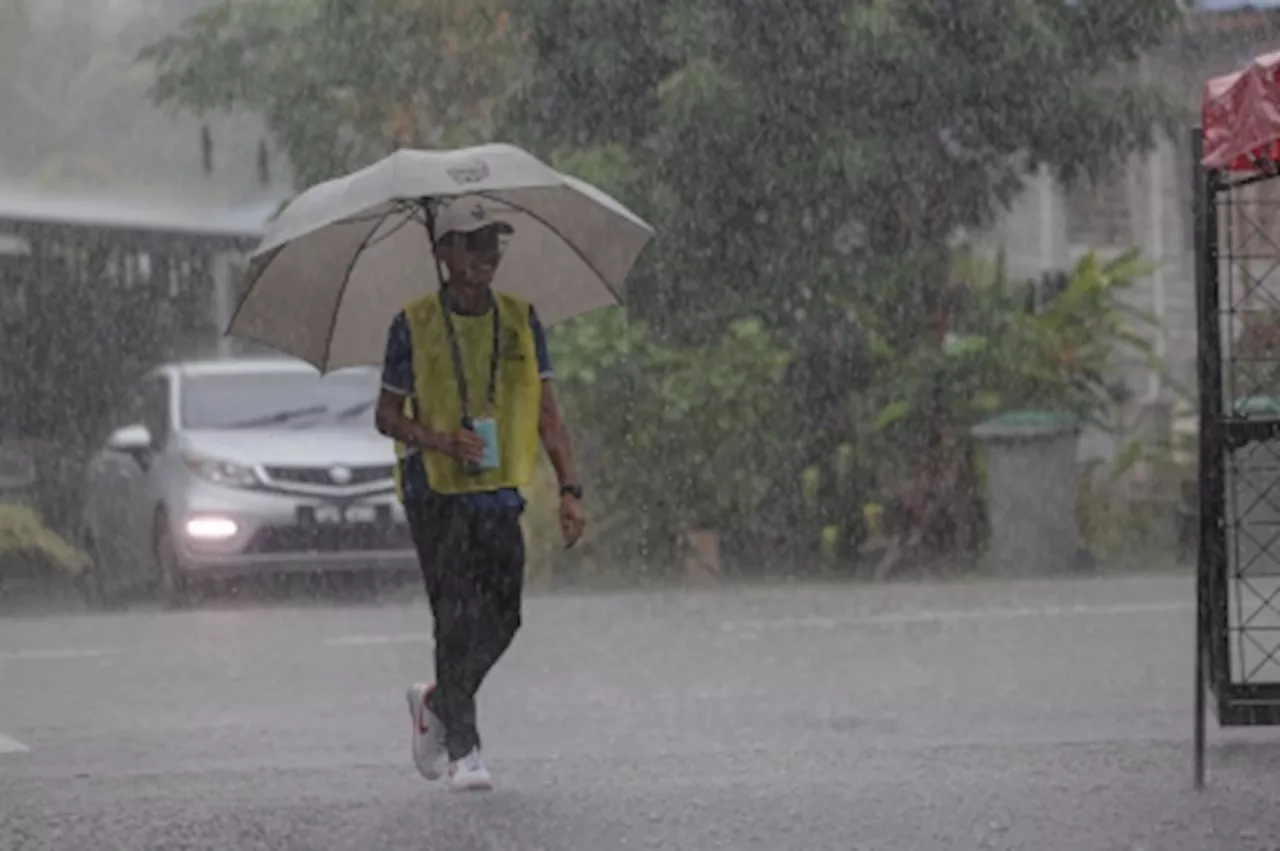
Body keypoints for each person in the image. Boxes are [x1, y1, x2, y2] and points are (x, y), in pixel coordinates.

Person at [374, 198, 586, 793]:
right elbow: (386, 415)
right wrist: (438, 439)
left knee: (505, 615)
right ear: (442, 254)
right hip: (434, 492)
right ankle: (465, 748)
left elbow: (547, 410)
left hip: (497, 491)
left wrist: (570, 488)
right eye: (470, 243)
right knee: (454, 616)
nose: (484, 255)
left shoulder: (520, 318)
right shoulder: (410, 324)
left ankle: (440, 700)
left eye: (493, 242)